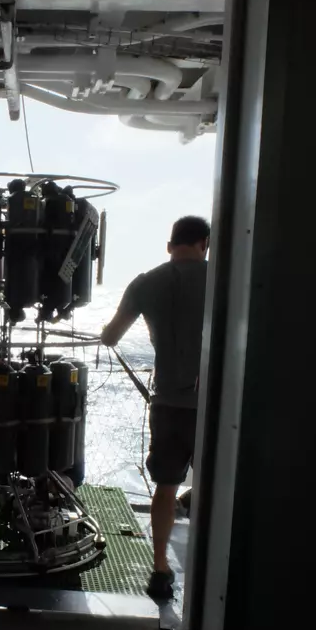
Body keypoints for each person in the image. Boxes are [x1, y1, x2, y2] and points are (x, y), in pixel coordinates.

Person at [100, 216, 210, 600]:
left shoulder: (146, 282)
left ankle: (161, 568)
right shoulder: (223, 278)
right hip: (219, 405)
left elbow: (111, 337)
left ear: (169, 246)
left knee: (166, 485)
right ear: (205, 244)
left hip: (169, 403)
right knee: (218, 485)